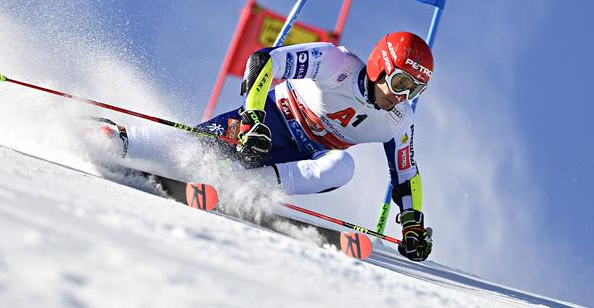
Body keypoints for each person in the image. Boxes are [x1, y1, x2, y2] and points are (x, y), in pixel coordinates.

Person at [103, 31, 434, 262]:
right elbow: (264, 62)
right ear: (381, 66)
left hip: (299, 159)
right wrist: (252, 120)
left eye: (414, 92)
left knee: (343, 167)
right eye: (400, 83)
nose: (401, 97)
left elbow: (406, 174)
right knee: (196, 151)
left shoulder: (398, 120)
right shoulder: (336, 63)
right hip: (269, 123)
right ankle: (117, 138)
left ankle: (241, 189)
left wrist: (412, 224)